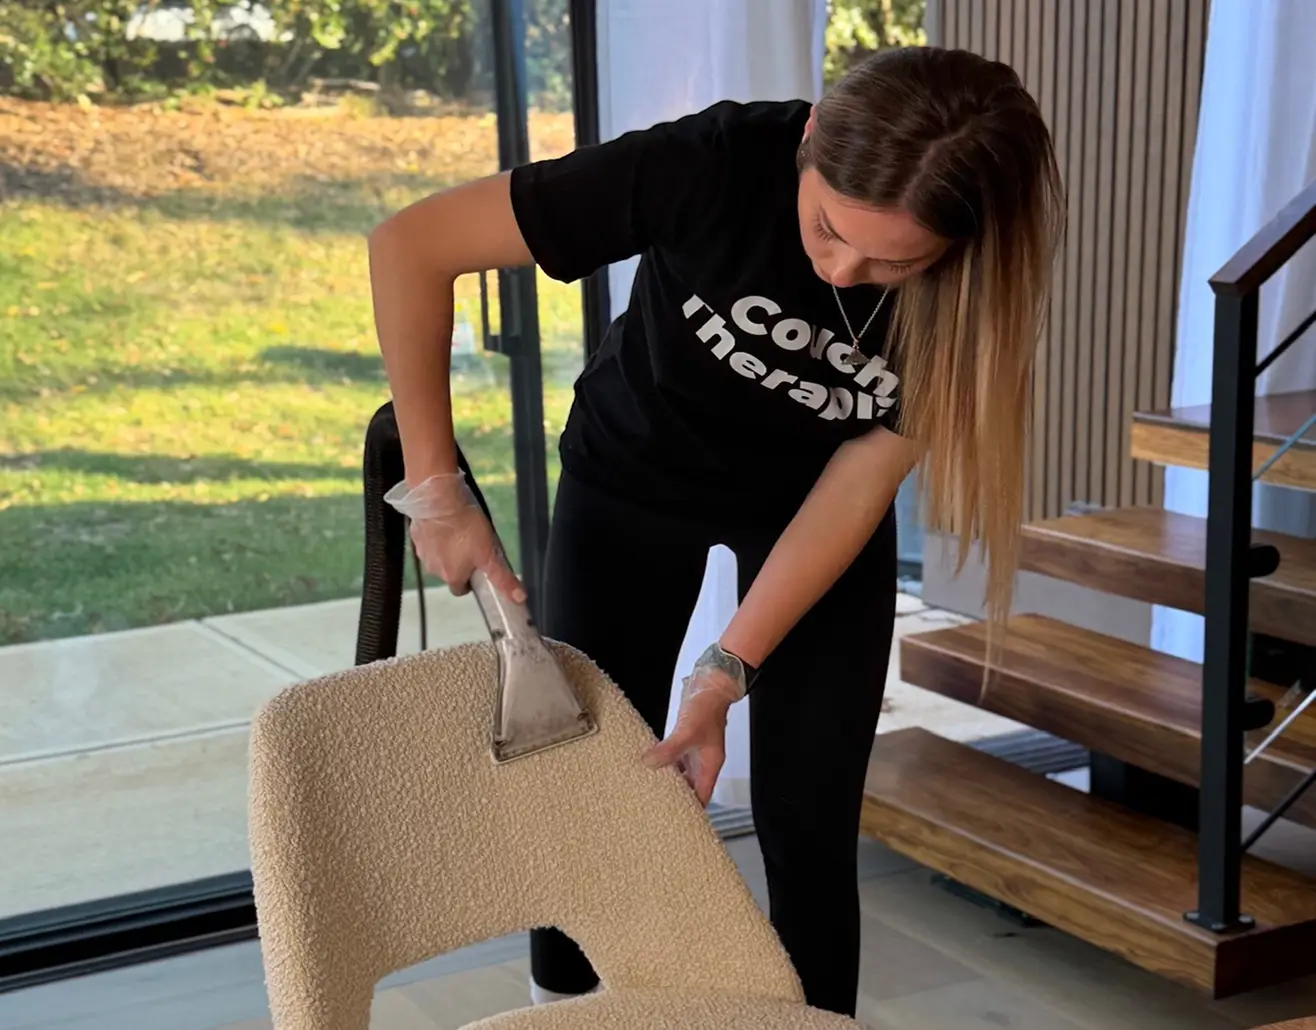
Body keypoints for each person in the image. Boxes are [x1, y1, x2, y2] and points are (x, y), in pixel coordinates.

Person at [368, 45, 1064, 1019]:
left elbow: (861, 476)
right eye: (825, 229)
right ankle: (560, 1013)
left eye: (891, 263)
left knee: (808, 818)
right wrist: (437, 490)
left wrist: (726, 668)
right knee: (586, 784)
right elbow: (411, 245)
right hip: (636, 472)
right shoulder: (714, 163)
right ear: (812, 137)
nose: (841, 271)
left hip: (815, 502)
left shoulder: (974, 297)